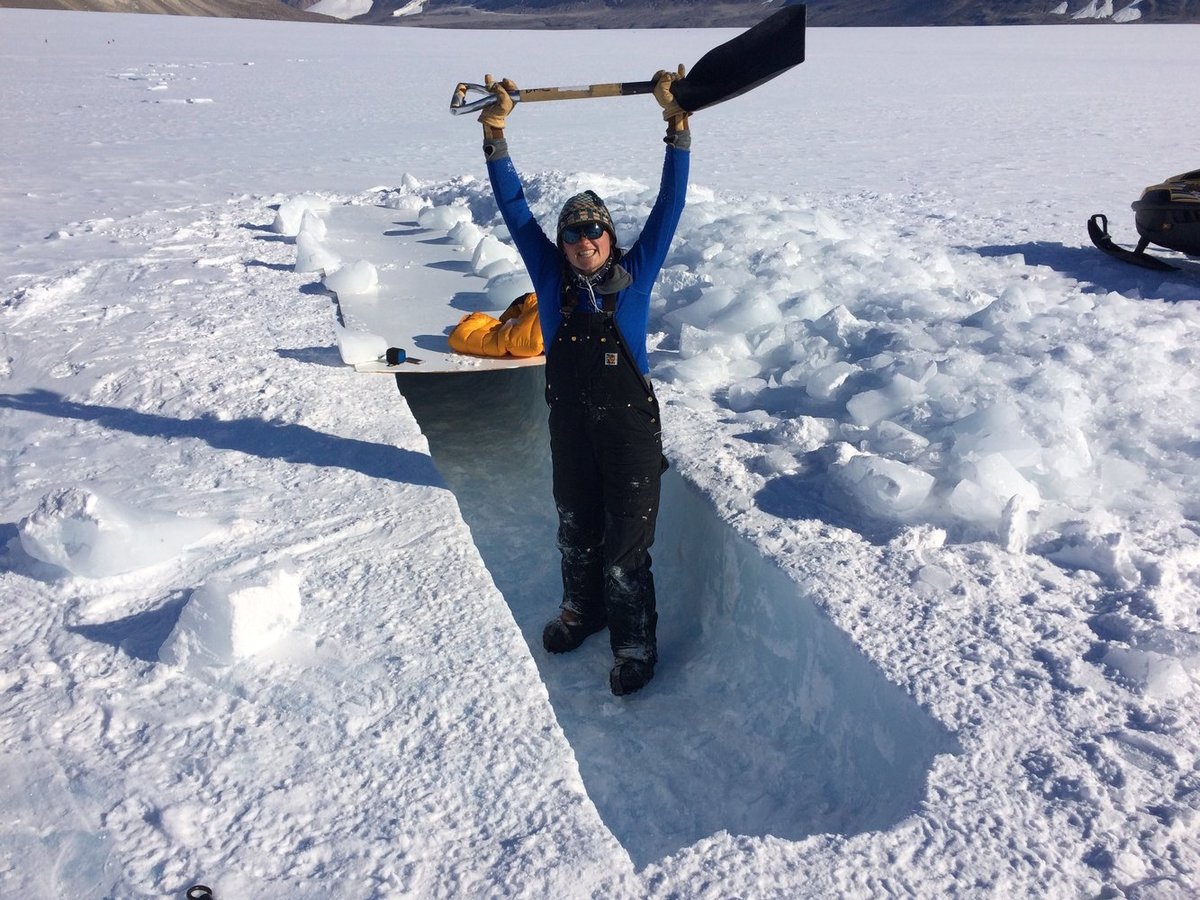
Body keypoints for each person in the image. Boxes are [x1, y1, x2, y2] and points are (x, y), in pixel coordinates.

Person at [472, 68, 690, 695]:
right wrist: (495, 135)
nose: (582, 240)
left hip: (627, 431)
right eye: (572, 232)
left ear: (610, 237)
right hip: (570, 423)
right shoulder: (552, 280)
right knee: (575, 525)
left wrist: (675, 130)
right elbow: (514, 211)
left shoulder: (637, 275)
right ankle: (583, 610)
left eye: (593, 229)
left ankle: (633, 644)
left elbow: (668, 207)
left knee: (625, 545)